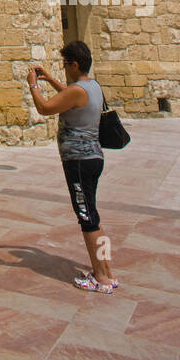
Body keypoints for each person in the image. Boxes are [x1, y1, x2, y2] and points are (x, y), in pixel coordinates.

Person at [27, 41, 118, 293]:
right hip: (93, 158)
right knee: (94, 217)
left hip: (79, 162)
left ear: (75, 64)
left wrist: (33, 85)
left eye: (65, 64)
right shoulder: (92, 86)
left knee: (87, 218)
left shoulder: (78, 91)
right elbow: (70, 95)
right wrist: (51, 79)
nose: (64, 68)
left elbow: (45, 108)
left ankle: (101, 278)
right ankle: (107, 270)